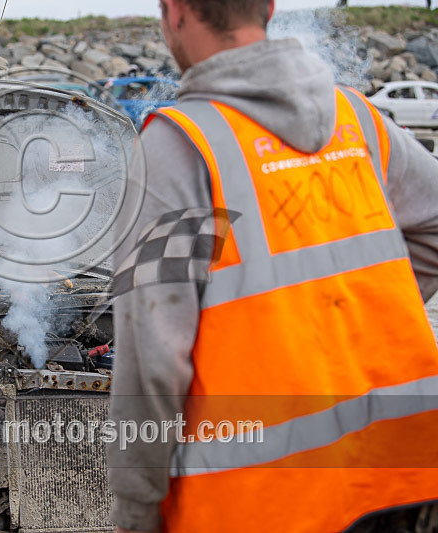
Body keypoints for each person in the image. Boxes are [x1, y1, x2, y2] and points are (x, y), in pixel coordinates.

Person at [107, 1, 438, 532]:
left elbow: (152, 364)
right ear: (268, 7)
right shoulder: (357, 120)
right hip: (398, 473)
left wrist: (136, 510)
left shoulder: (176, 149)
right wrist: (352, 326)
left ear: (175, 12)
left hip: (257, 500)